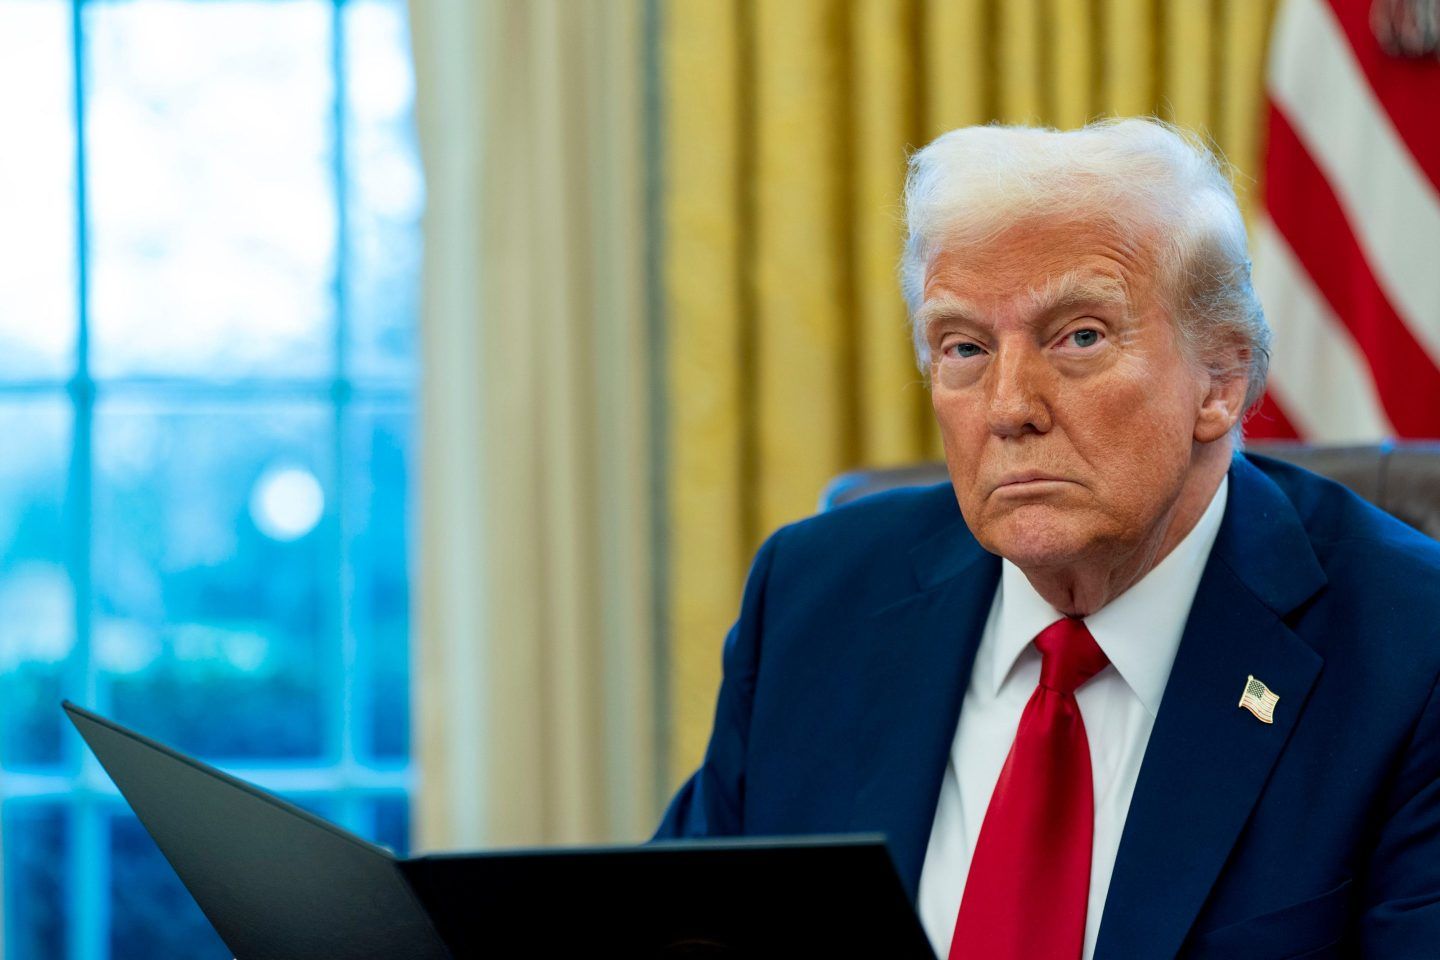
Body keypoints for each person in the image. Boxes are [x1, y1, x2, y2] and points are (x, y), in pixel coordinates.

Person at [655, 119, 1440, 960]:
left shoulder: (1407, 649)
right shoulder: (814, 602)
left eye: (1080, 338)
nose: (1007, 406)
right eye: (963, 347)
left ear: (1220, 378)